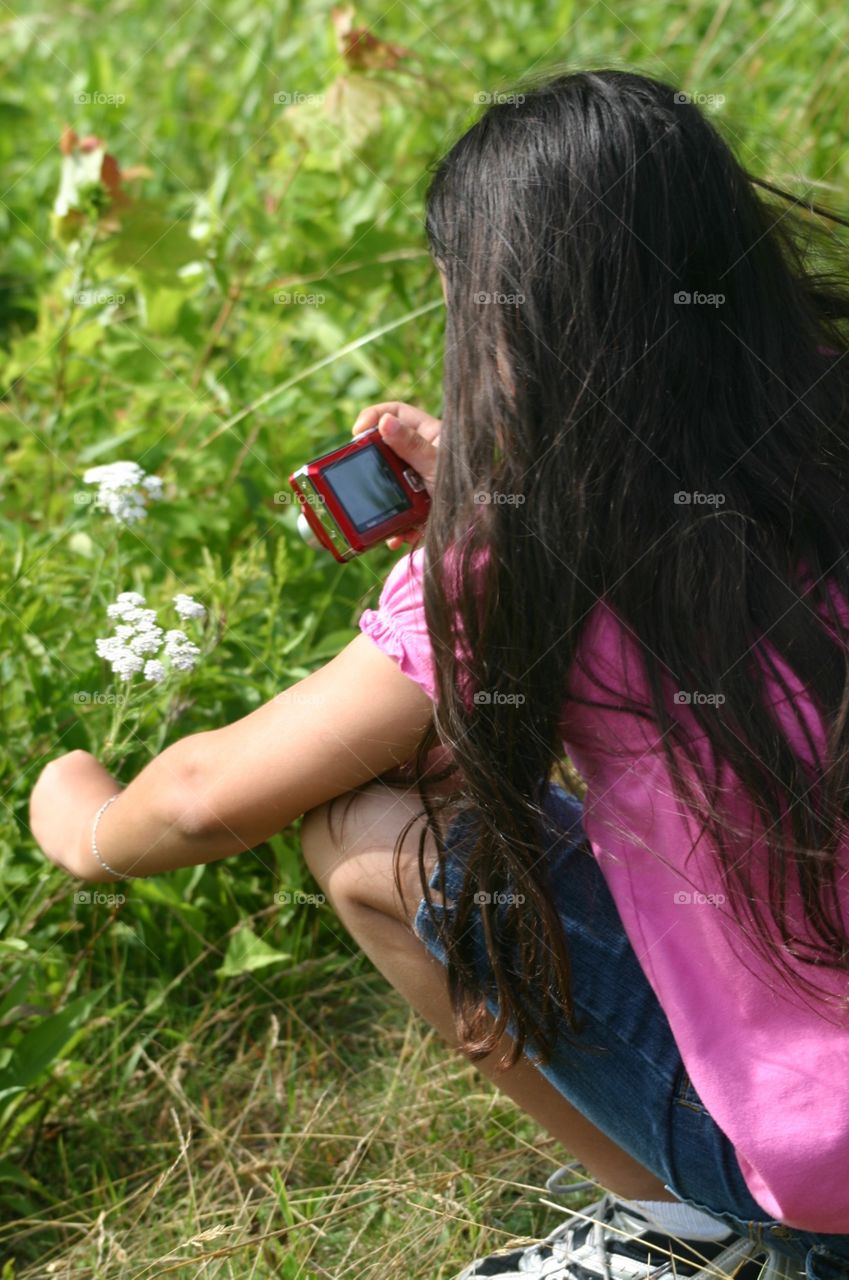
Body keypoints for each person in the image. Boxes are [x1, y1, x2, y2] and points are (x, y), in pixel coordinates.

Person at [31, 67, 849, 1280]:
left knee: (367, 827)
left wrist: (83, 816)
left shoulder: (523, 561)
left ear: (512, 322)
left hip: (823, 1175)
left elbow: (207, 794)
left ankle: (685, 1222)